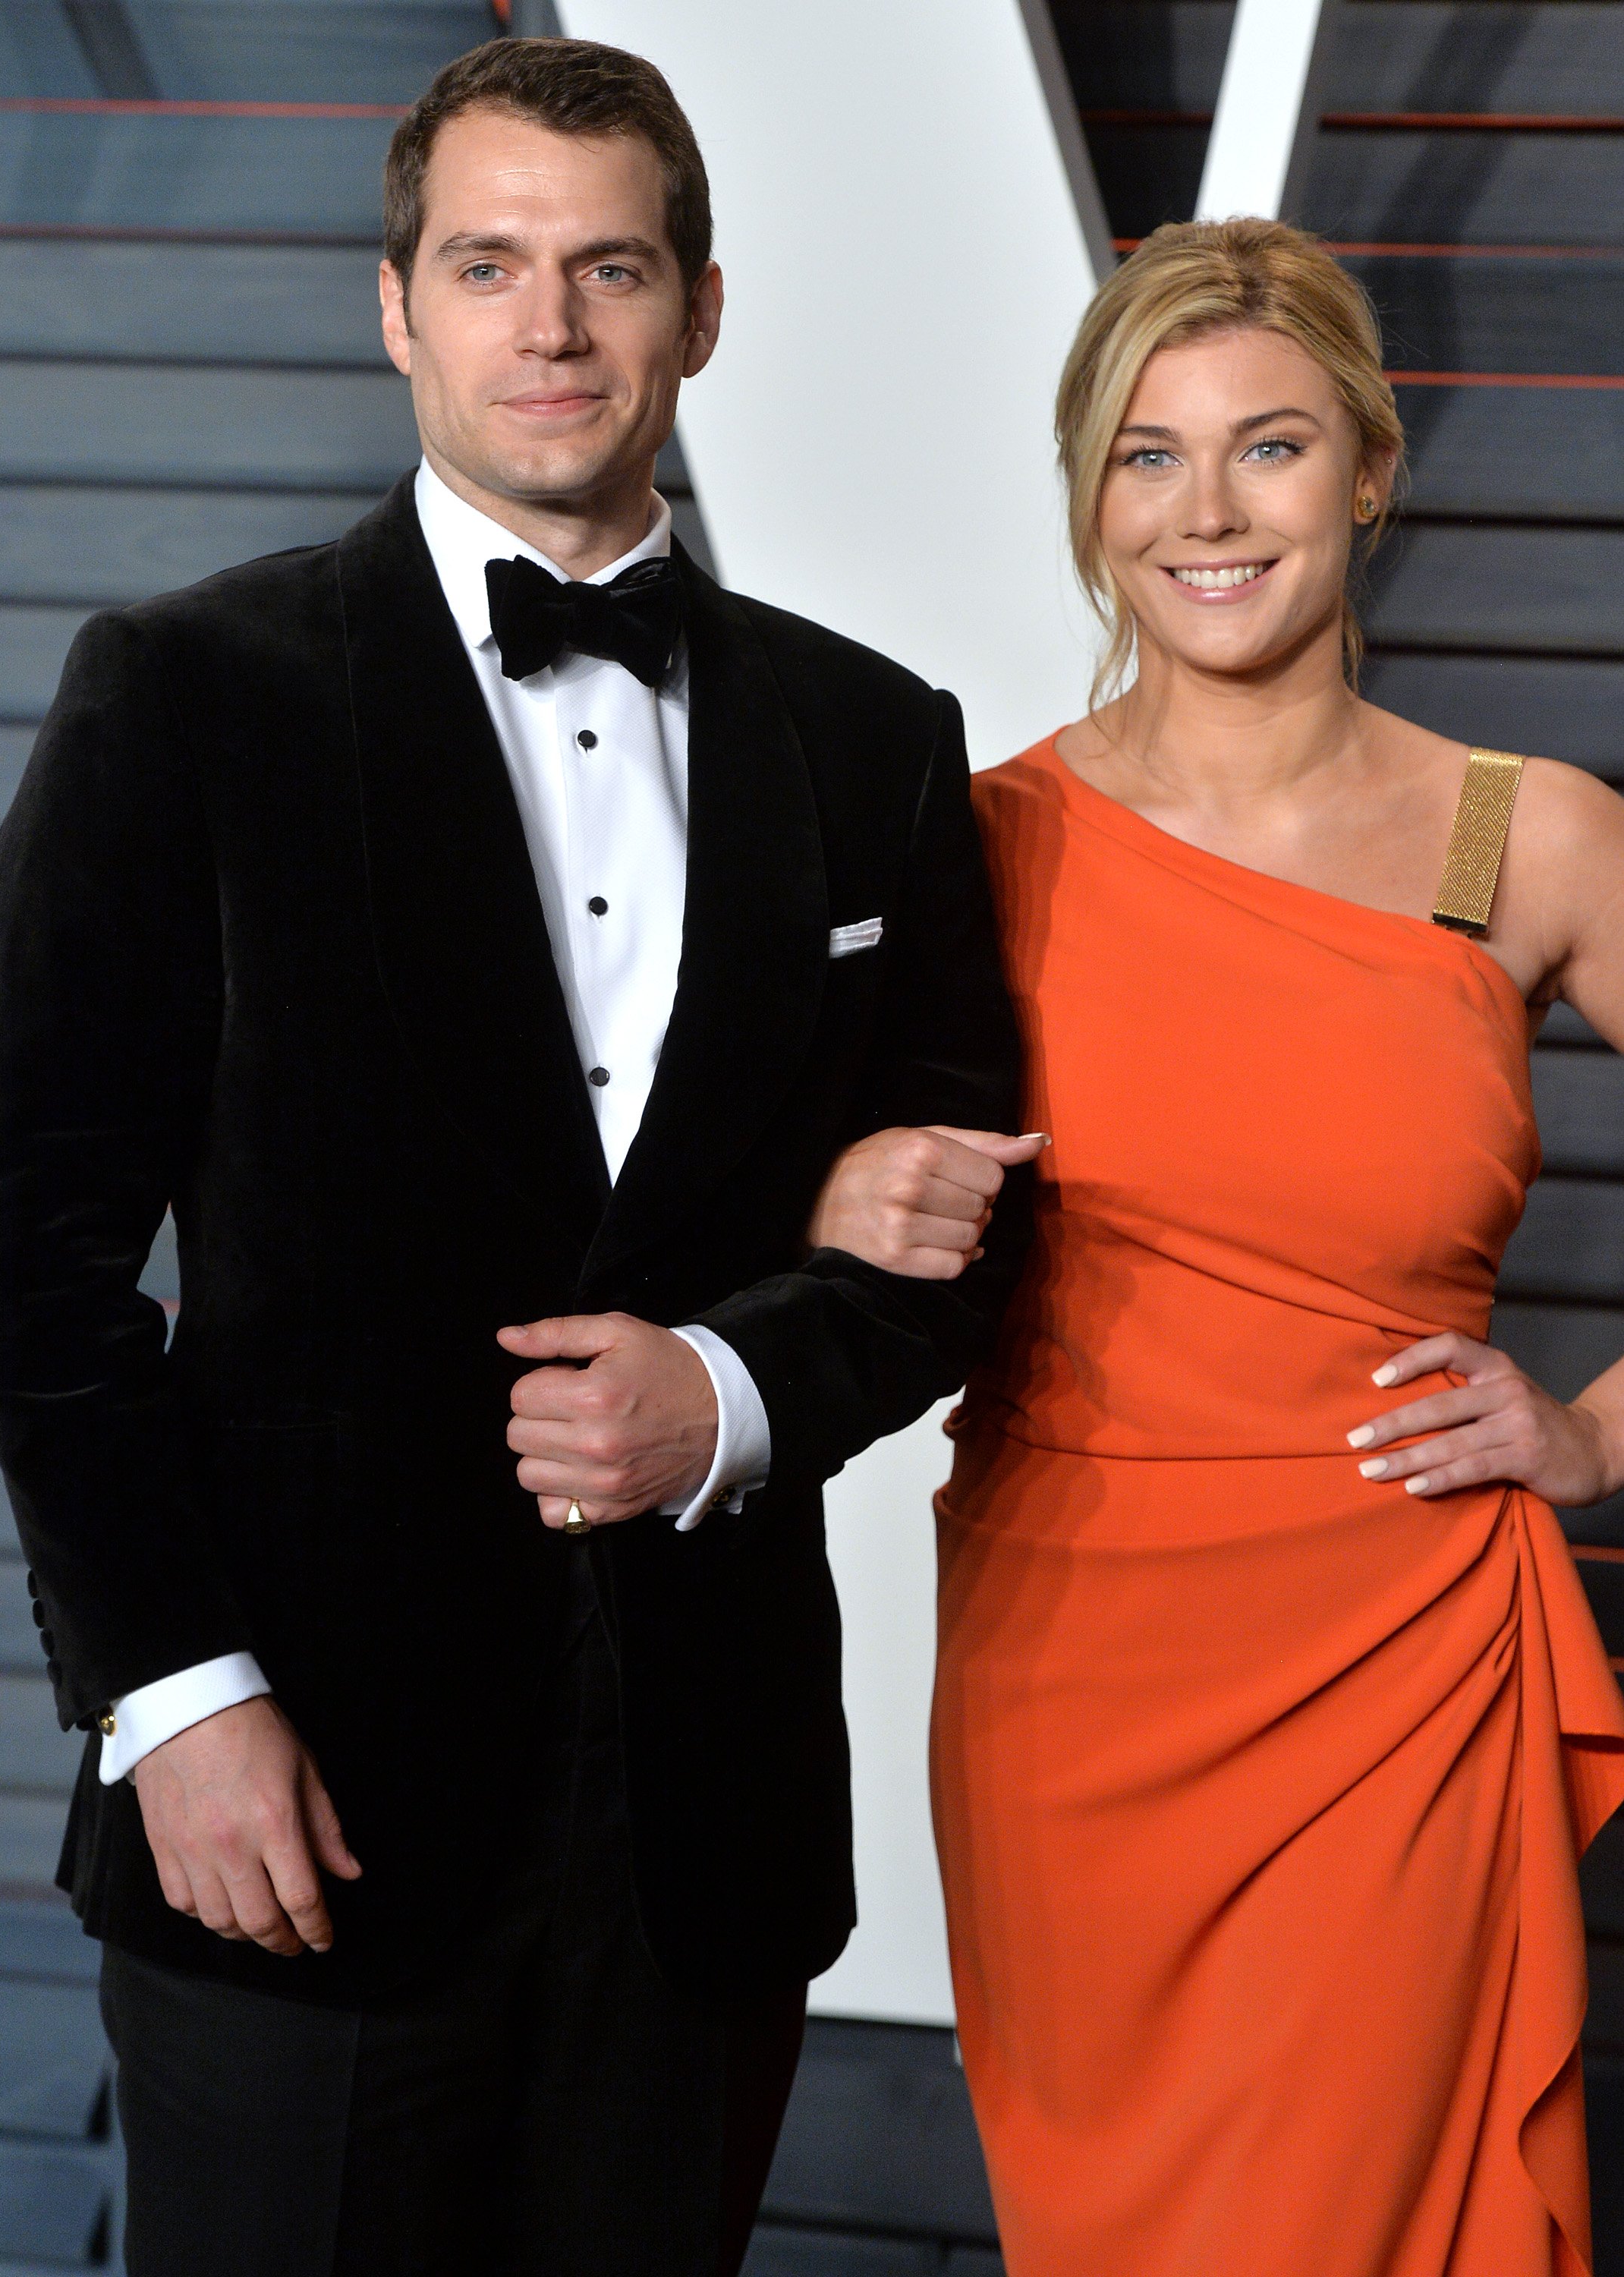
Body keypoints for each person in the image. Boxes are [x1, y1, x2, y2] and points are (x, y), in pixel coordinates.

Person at [0, 38, 1037, 2277]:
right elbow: (39, 1263)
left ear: (701, 310)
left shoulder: (875, 735)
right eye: (490, 266)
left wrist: (731, 1394)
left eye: (609, 267)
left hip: (699, 1842)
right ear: (398, 309)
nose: (550, 326)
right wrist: (177, 1699)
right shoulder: (181, 690)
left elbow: (964, 1236)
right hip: (292, 1813)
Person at [810, 219, 1624, 2275]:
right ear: (1089, 498)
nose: (1207, 512)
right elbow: (744, 1201)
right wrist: (833, 1202)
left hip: (1398, 1676)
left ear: (1367, 466)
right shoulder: (964, 844)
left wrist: (1600, 1437)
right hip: (1071, 1689)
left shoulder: (1518, 838)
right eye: (1147, 456)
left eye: (1266, 447)